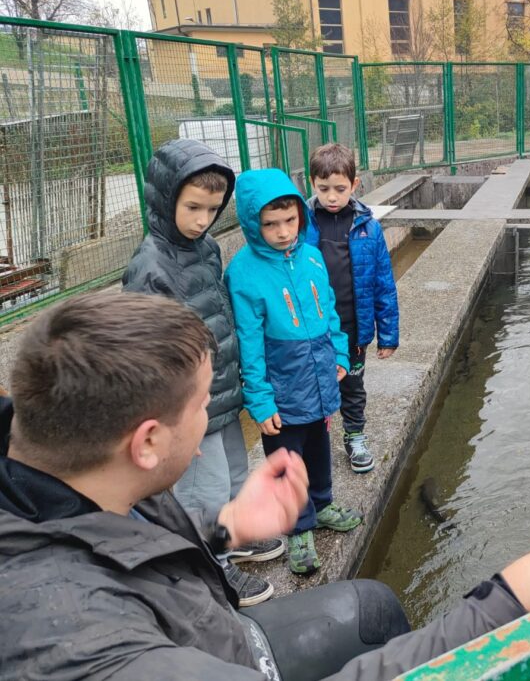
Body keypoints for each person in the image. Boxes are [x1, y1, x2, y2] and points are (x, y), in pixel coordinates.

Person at [0, 292, 530, 680]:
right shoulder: (69, 642)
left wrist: (225, 528)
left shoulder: (65, 454)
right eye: (206, 402)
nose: (217, 412)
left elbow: (114, 535)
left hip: (219, 639)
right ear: (146, 442)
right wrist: (520, 589)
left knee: (374, 606)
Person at [121, 138, 281, 606]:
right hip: (187, 407)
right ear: (165, 198)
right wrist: (169, 420)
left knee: (233, 473)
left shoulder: (207, 247)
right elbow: (145, 354)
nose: (201, 220)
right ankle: (214, 570)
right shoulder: (149, 266)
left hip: (223, 393)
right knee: (200, 490)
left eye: (211, 209)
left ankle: (232, 538)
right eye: (192, 207)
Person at [225, 168, 362, 575]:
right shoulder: (244, 273)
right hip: (282, 385)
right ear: (253, 224)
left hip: (318, 375)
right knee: (286, 460)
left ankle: (322, 504)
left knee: (319, 445)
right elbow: (248, 343)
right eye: (270, 224)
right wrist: (260, 399)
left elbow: (331, 312)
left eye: (290, 220)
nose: (283, 232)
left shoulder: (312, 255)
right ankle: (298, 528)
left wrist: (338, 353)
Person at [305, 143, 399, 474]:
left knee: (353, 385)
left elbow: (383, 283)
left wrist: (388, 334)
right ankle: (315, 440)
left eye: (340, 189)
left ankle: (355, 435)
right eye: (324, 188)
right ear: (311, 183)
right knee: (315, 385)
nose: (332, 196)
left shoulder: (368, 228)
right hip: (314, 330)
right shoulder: (302, 225)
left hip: (354, 328)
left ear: (355, 185)